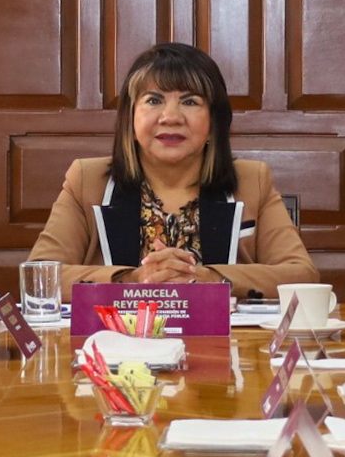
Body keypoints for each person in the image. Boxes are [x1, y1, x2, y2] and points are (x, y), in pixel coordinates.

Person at [30, 41, 317, 297]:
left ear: (214, 123)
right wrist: (131, 280)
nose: (171, 117)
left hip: (223, 338)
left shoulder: (252, 180)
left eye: (190, 101)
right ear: (130, 118)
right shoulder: (86, 180)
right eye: (154, 100)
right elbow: (38, 278)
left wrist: (211, 278)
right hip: (116, 338)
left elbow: (302, 275)